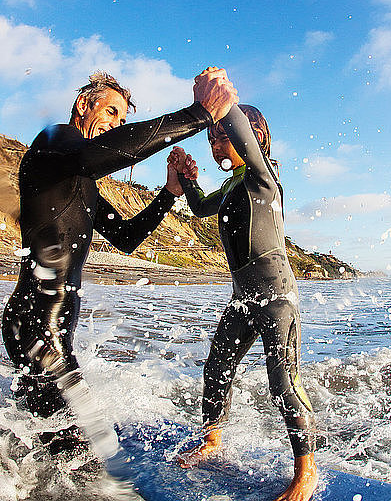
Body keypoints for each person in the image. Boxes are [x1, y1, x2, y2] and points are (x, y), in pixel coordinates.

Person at [1, 69, 238, 438]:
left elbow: (126, 237)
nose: (115, 125)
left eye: (122, 119)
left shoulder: (82, 183)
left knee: (59, 443)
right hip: (36, 325)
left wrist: (169, 194)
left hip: (44, 328)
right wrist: (198, 115)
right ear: (83, 104)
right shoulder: (54, 140)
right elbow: (97, 156)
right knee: (80, 449)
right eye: (111, 112)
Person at [168, 69, 317, 501]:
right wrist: (186, 177)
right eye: (211, 138)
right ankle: (213, 440)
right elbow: (197, 208)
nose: (216, 145)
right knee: (216, 369)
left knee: (283, 384)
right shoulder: (233, 186)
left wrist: (222, 102)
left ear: (255, 138)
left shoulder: (262, 176)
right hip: (243, 298)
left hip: (276, 299)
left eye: (223, 136)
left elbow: (243, 135)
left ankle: (306, 471)